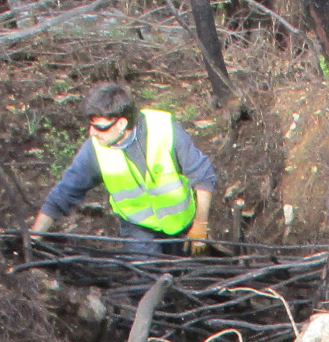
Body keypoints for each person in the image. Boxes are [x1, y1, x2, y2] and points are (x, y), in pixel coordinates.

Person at [29, 84, 216, 256]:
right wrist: (33, 239)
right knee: (147, 275)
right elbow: (63, 194)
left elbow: (203, 175)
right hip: (137, 227)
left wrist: (200, 224)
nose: (92, 133)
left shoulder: (164, 130)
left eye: (100, 127)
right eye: (91, 125)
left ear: (121, 123)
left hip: (181, 223)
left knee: (181, 272)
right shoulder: (94, 150)